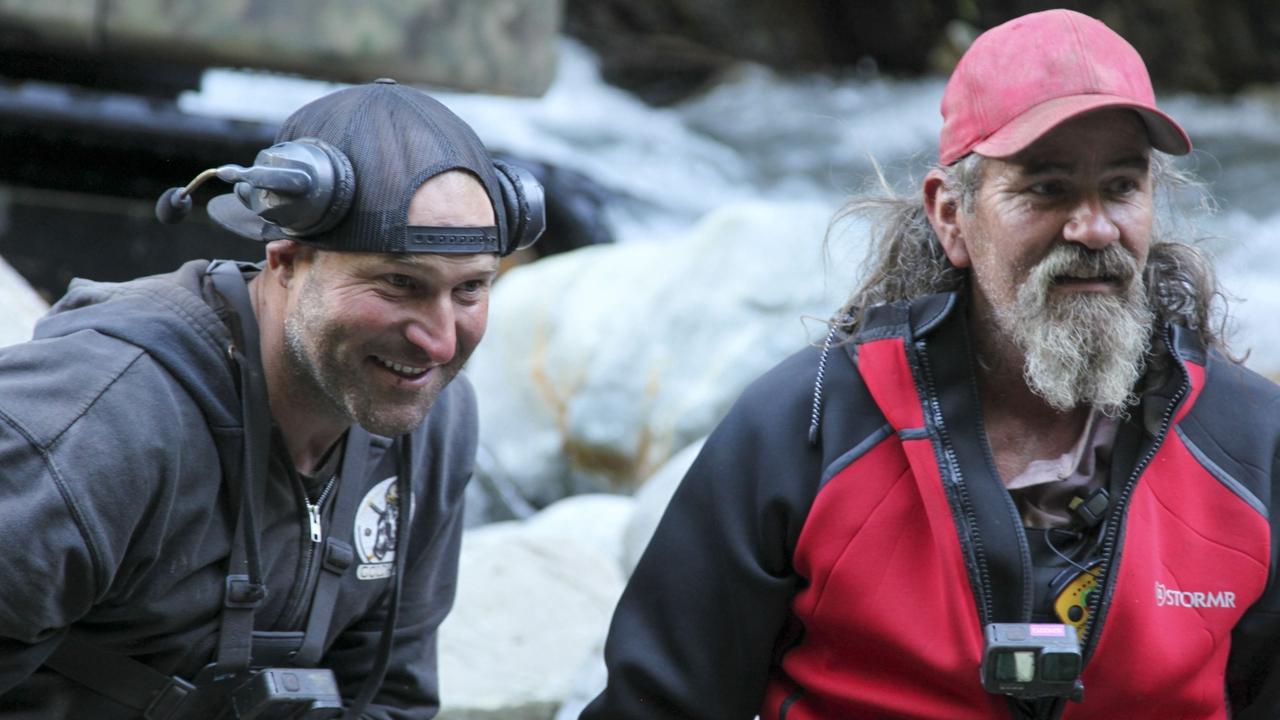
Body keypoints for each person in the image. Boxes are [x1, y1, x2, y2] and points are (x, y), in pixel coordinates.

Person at [581, 9, 1279, 720]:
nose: (1094, 227)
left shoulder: (1249, 443)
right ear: (951, 215)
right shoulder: (809, 427)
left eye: (1123, 186)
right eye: (1047, 188)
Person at [0, 79, 542, 719]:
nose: (441, 342)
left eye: (471, 289)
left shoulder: (433, 421)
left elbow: (388, 698)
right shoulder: (93, 427)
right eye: (399, 283)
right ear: (285, 260)